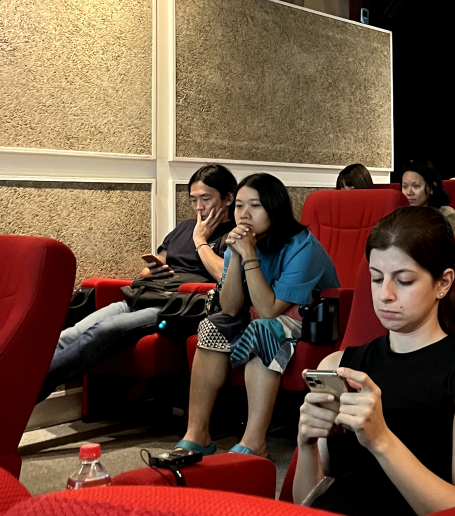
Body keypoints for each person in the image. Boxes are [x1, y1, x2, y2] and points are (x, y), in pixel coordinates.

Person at [293, 205, 455, 516]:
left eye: (404, 281)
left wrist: (381, 440)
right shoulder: (339, 364)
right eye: (376, 278)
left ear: (443, 283)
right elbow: (305, 504)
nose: (385, 294)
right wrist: (306, 444)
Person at [38, 164, 238, 403]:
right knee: (72, 333)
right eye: (193, 200)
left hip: (175, 309)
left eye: (205, 199)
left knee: (104, 329)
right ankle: (18, 383)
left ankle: (24, 390)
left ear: (228, 198)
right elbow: (149, 269)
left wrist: (200, 240)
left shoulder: (234, 234)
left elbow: (225, 276)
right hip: (144, 295)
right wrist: (154, 270)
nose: (198, 207)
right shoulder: (184, 227)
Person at [177, 173, 339, 458]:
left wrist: (248, 254)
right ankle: (197, 434)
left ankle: (254, 441)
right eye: (239, 206)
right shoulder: (240, 242)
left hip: (309, 319)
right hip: (258, 314)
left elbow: (270, 310)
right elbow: (230, 308)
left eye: (255, 206)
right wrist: (235, 256)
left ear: (274, 209)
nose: (244, 214)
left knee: (264, 328)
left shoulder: (302, 245)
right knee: (213, 325)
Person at [401, 159, 455, 235]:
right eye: (405, 186)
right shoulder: (401, 215)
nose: (409, 193)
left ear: (432, 188)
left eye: (416, 186)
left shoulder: (446, 214)